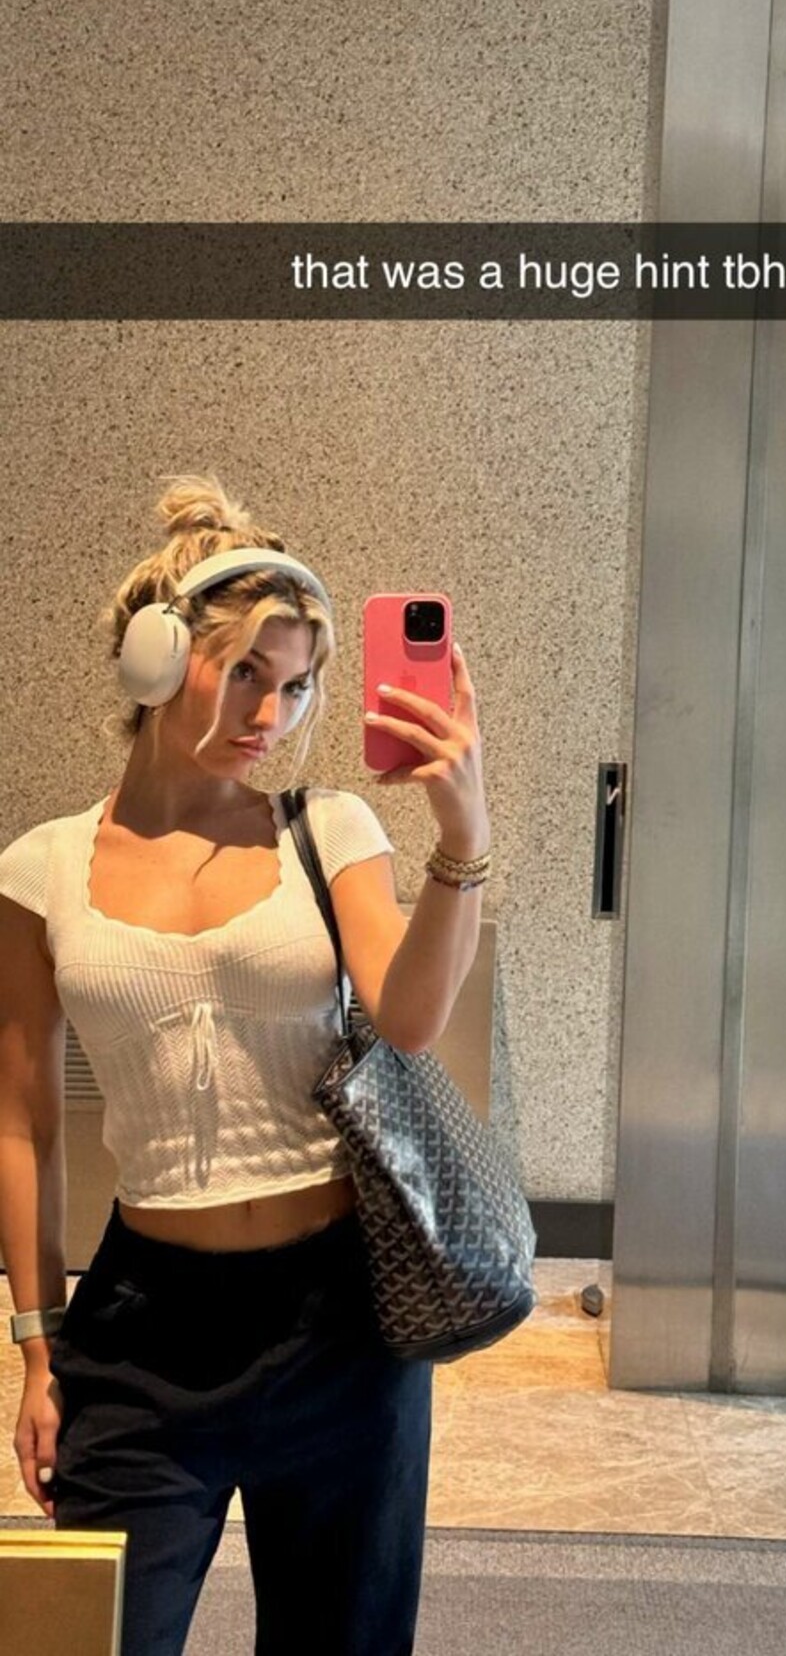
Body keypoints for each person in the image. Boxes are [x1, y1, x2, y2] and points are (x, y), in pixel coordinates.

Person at [0, 475, 491, 1655]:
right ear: (160, 662)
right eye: (246, 674)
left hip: (339, 1328)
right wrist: (36, 1345)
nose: (273, 712)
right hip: (143, 1324)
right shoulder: (41, 869)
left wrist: (463, 839)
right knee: (86, 1638)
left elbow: (410, 1018)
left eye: (299, 683)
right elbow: (22, 1122)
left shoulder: (327, 830)